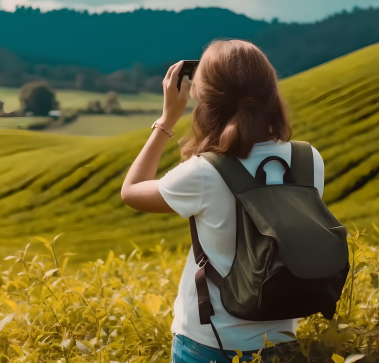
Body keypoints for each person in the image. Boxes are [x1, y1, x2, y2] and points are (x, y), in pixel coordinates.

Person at [120, 39, 324, 363]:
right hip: (282, 342)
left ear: (207, 101)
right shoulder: (308, 160)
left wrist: (167, 120)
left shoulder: (204, 173)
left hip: (209, 344)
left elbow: (131, 191)